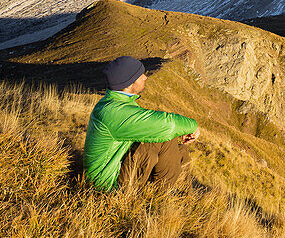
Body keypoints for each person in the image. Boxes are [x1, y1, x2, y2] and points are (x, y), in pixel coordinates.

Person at [83, 55, 200, 191]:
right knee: (164, 137)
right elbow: (168, 125)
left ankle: (183, 199)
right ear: (128, 84)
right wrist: (193, 126)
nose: (145, 77)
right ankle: (162, 197)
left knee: (181, 150)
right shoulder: (113, 112)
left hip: (119, 169)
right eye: (140, 75)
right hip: (106, 186)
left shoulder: (116, 104)